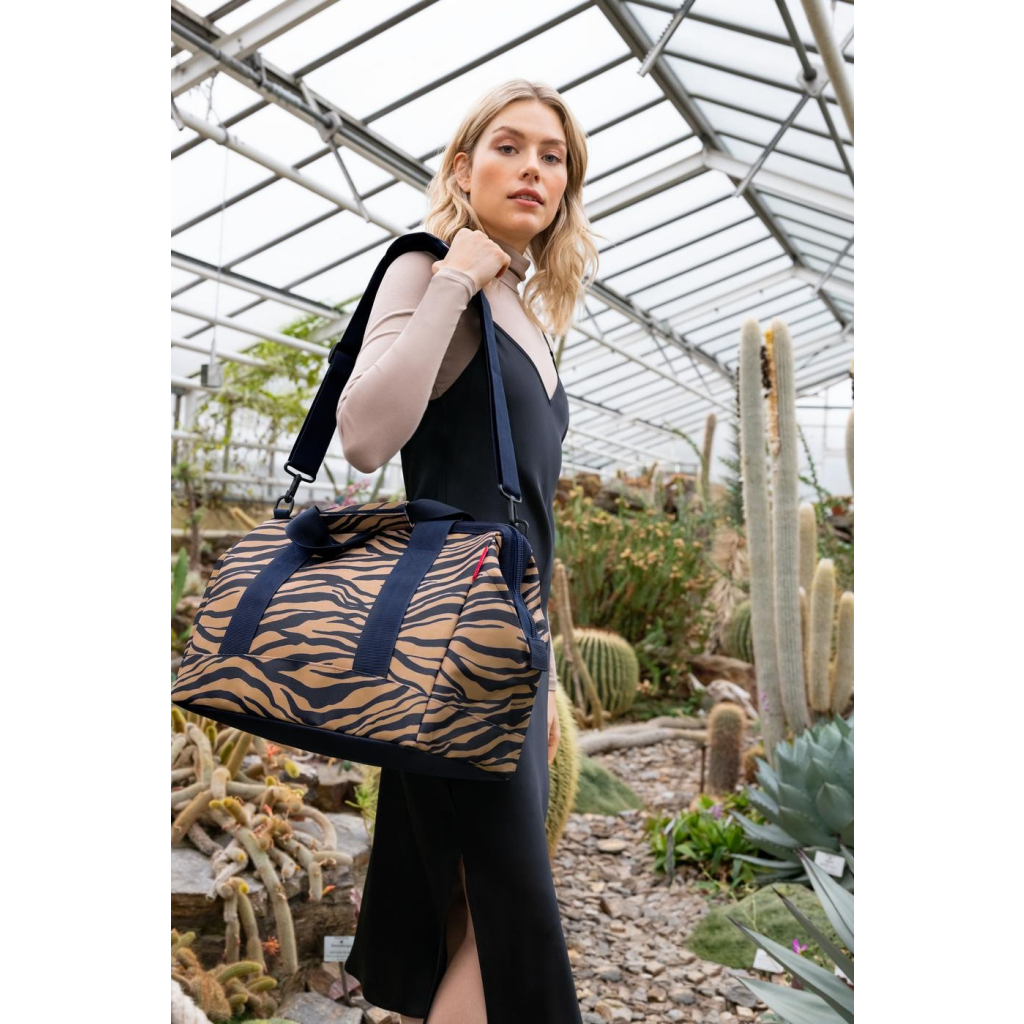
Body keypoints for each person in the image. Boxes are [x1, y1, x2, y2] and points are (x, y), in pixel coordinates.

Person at [335, 78, 599, 1024]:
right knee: (507, 928)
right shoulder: (426, 266)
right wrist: (455, 276)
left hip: (505, 646)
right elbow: (364, 436)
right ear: (462, 168)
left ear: (566, 188)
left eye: (553, 157)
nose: (532, 169)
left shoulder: (530, 312)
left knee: (463, 908)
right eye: (508, 147)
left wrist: (546, 677)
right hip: (449, 644)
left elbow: (531, 514)